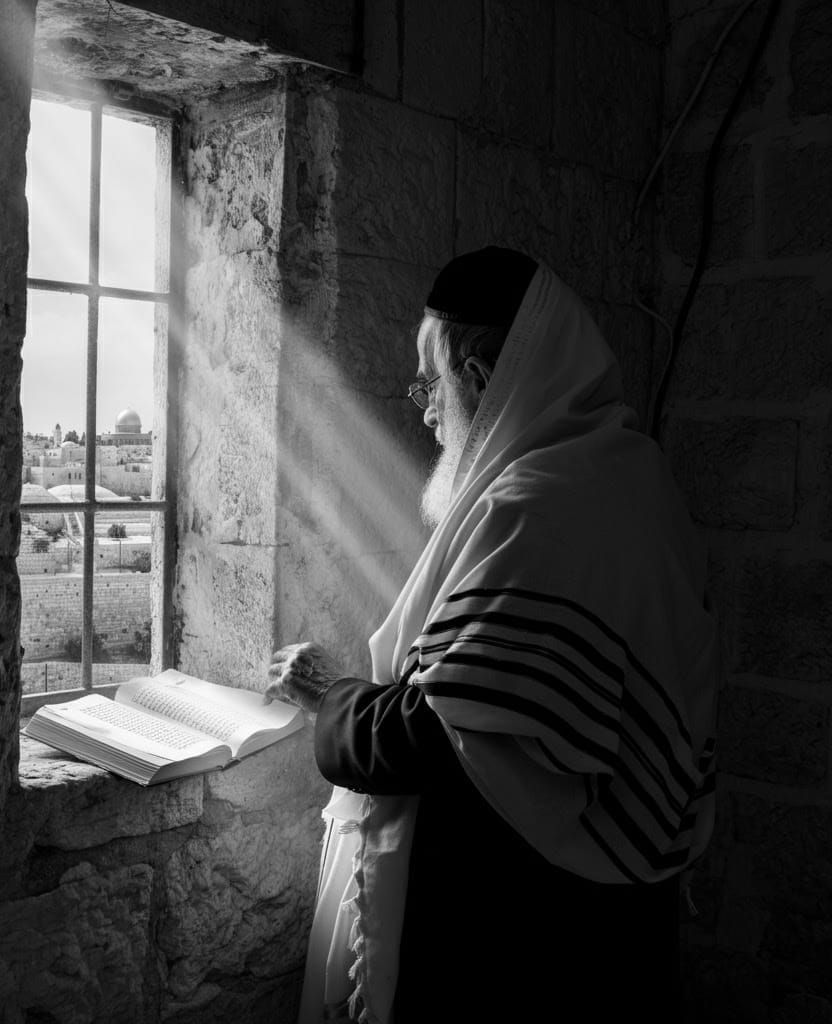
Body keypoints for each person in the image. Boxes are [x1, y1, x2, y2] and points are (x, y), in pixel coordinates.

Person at [265, 246, 718, 1024]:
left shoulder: (538, 510)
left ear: (478, 380)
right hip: (619, 907)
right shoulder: (630, 472)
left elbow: (439, 733)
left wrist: (328, 696)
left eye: (429, 383)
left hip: (529, 930)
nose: (426, 409)